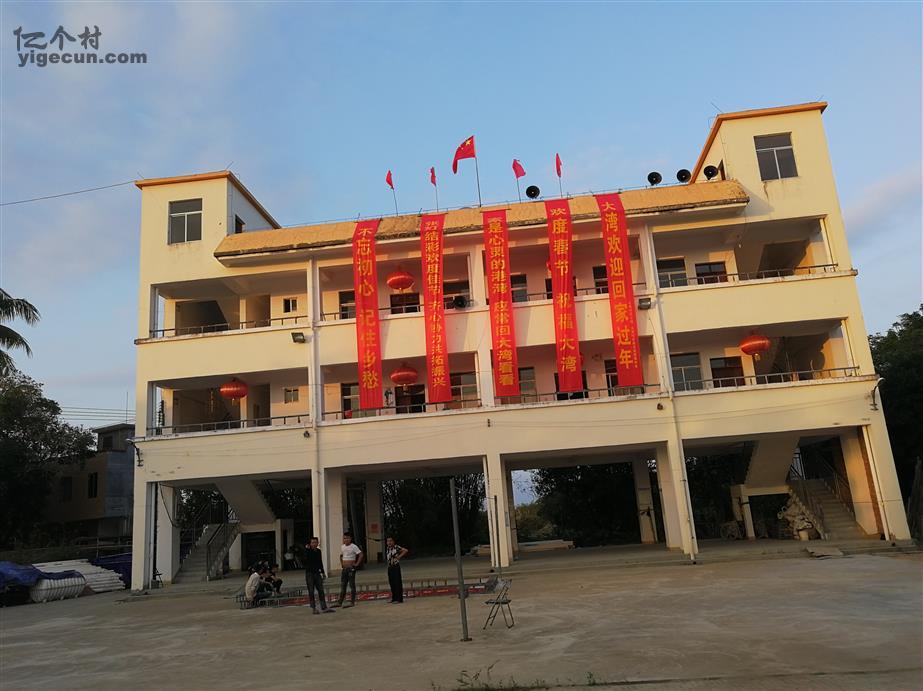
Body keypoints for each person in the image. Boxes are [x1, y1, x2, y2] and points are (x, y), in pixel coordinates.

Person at [304, 537, 334, 614]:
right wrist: (307, 549)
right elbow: (305, 559)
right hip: (309, 573)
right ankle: (313, 608)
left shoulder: (318, 551)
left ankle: (324, 607)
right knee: (311, 591)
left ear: (318, 543)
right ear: (310, 544)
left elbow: (320, 562)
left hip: (317, 573)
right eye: (312, 542)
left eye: (315, 542)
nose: (314, 544)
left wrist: (323, 572)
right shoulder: (308, 551)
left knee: (321, 590)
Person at [333, 532, 363, 608]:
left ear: (350, 539)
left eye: (347, 538)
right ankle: (340, 602)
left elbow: (361, 554)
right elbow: (341, 555)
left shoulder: (353, 546)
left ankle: (352, 602)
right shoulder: (342, 547)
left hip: (351, 568)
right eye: (344, 538)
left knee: (352, 585)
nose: (346, 540)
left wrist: (357, 564)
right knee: (343, 585)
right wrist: (342, 563)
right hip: (344, 569)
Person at [385, 536, 409, 604]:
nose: (389, 542)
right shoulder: (388, 548)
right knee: (392, 583)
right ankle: (394, 598)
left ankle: (399, 599)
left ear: (393, 541)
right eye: (388, 541)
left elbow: (405, 550)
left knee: (397, 582)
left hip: (395, 566)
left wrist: (399, 557)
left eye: (390, 541)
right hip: (390, 567)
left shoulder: (396, 547)